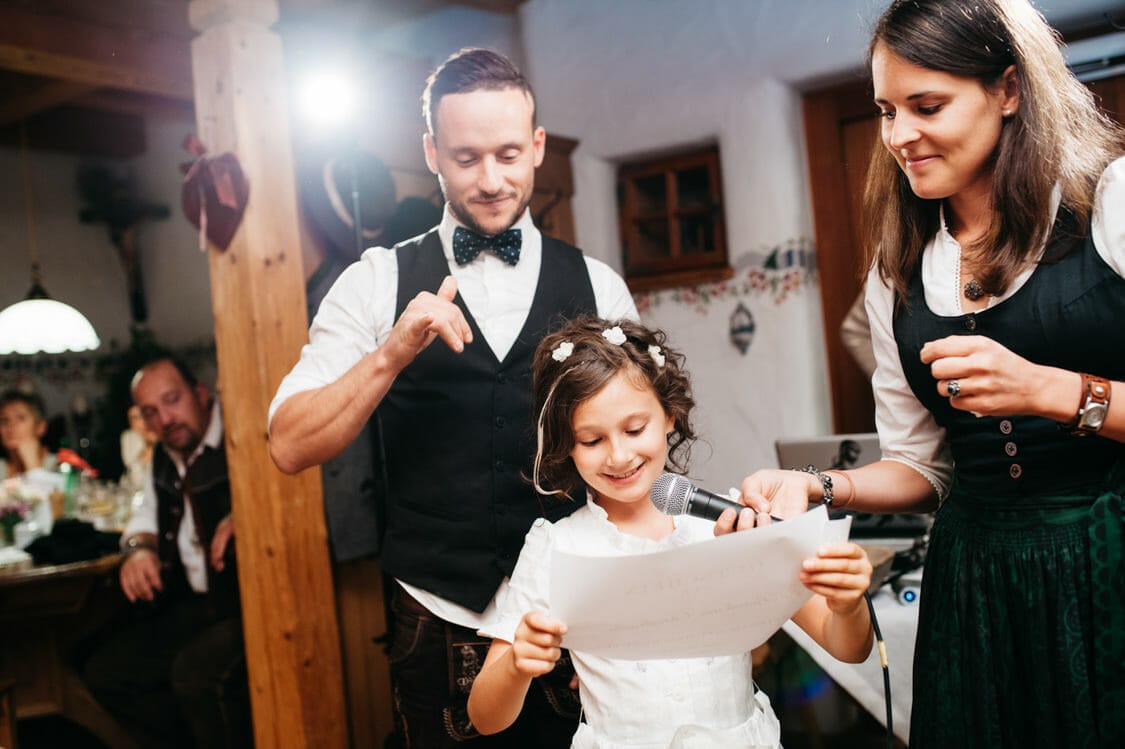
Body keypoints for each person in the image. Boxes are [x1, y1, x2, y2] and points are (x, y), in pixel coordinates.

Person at [741, 1, 1125, 746]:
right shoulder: (900, 275)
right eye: (885, 110)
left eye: (926, 106)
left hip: (1107, 562)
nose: (898, 136)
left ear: (1008, 90)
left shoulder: (1108, 205)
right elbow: (920, 466)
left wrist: (1054, 390)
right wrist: (817, 486)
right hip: (977, 587)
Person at [268, 48, 637, 746]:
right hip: (437, 616)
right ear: (432, 152)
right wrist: (392, 352)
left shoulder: (598, 285)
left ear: (536, 147)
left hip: (574, 614)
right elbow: (288, 442)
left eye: (507, 154)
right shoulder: (376, 280)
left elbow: (640, 450)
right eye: (467, 157)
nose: (492, 180)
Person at [466, 317, 874, 747]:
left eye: (634, 429)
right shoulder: (556, 547)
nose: (619, 455)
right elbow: (485, 717)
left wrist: (847, 607)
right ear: (566, 444)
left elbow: (848, 647)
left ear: (670, 415)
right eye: (591, 440)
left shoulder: (733, 524)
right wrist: (516, 666)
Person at [82, 358, 251, 748]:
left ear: (200, 394)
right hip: (192, 603)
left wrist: (249, 512)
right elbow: (145, 514)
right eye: (150, 412)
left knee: (194, 672)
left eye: (172, 400)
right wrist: (139, 549)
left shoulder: (240, 433)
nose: (166, 418)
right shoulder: (163, 454)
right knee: (104, 671)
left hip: (245, 606)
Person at [0, 389, 57, 479]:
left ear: (40, 427)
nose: (11, 425)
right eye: (4, 420)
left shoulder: (63, 466)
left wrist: (33, 466)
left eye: (20, 418)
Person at [120, 403, 158, 491]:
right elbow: (131, 466)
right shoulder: (129, 437)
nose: (141, 421)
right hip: (133, 489)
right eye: (134, 418)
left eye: (142, 415)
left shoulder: (159, 436)